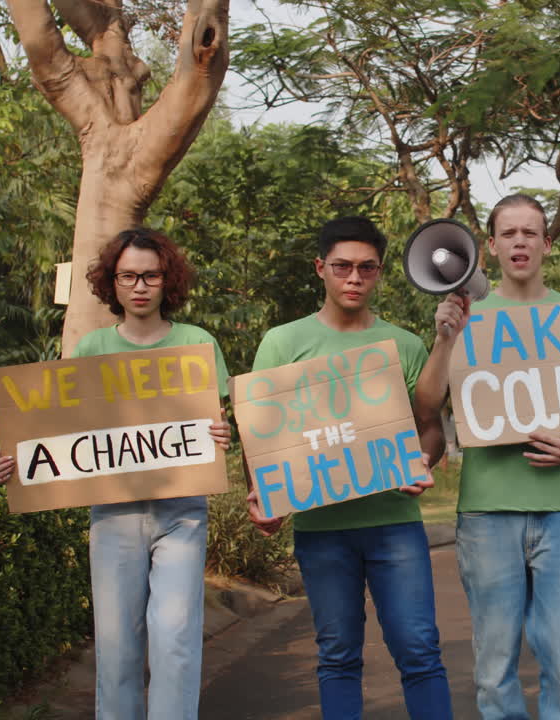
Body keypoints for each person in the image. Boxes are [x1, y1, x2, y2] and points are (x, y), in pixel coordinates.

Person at [0, 228, 231, 720]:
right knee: (117, 647)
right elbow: (58, 432)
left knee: (176, 640)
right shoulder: (92, 347)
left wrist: (224, 434)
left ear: (168, 280)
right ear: (112, 282)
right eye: (128, 276)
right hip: (113, 516)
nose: (139, 285)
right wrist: (15, 458)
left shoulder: (197, 343)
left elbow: (219, 422)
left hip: (182, 513)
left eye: (150, 275)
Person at [244, 216, 453, 719]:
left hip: (394, 526)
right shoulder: (282, 342)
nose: (354, 278)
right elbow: (262, 437)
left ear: (379, 273)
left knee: (420, 652)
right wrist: (263, 496)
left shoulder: (405, 345)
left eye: (367, 268)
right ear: (321, 269)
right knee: (337, 656)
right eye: (342, 267)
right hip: (321, 529)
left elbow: (430, 427)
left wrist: (422, 461)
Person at [415, 194, 560, 720]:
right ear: (490, 247)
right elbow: (427, 407)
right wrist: (445, 340)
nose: (520, 242)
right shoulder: (469, 318)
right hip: (487, 511)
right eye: (509, 233)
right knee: (495, 661)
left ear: (547, 243)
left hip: (559, 508)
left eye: (531, 233)